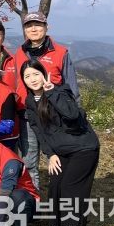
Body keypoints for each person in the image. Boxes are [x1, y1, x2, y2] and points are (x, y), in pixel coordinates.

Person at [21, 60, 99, 226]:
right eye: (27, 76)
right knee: (56, 186)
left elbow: (72, 114)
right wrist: (51, 154)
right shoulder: (30, 101)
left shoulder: (60, 91)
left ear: (44, 74)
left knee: (71, 188)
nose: (32, 79)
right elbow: (39, 131)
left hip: (83, 148)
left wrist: (51, 92)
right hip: (61, 151)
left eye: (36, 74)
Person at [15, 11, 80, 188]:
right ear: (24, 30)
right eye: (29, 26)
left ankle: (60, 196)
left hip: (55, 116)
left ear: (46, 27)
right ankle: (32, 199)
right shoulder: (20, 53)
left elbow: (72, 88)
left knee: (60, 158)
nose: (33, 29)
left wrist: (74, 116)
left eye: (38, 25)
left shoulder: (60, 52)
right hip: (27, 115)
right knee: (29, 161)